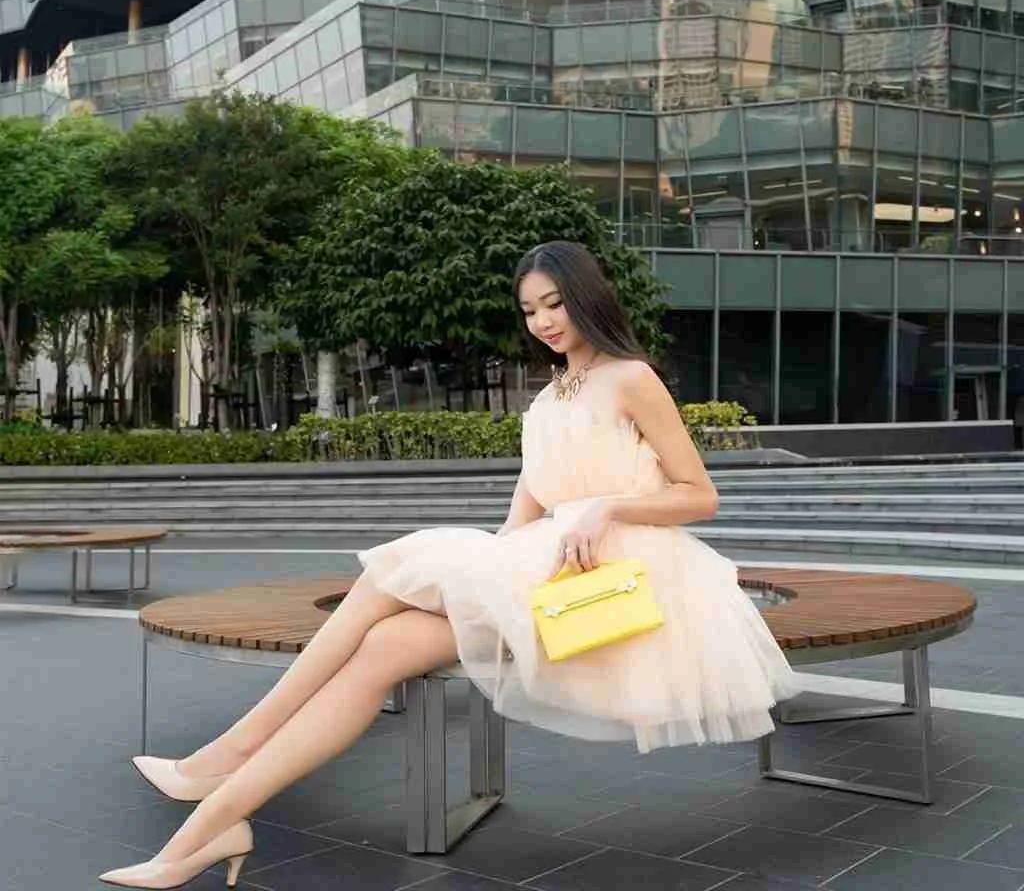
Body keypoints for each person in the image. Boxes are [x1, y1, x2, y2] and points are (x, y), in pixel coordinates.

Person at [99, 240, 797, 889]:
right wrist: (488, 570)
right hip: (539, 563)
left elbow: (699, 495)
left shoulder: (631, 379)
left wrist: (605, 508)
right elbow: (527, 505)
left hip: (615, 576)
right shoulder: (552, 395)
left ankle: (228, 755)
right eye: (529, 310)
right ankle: (212, 826)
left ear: (588, 297)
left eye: (554, 304)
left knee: (387, 574)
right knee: (383, 646)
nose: (543, 322)